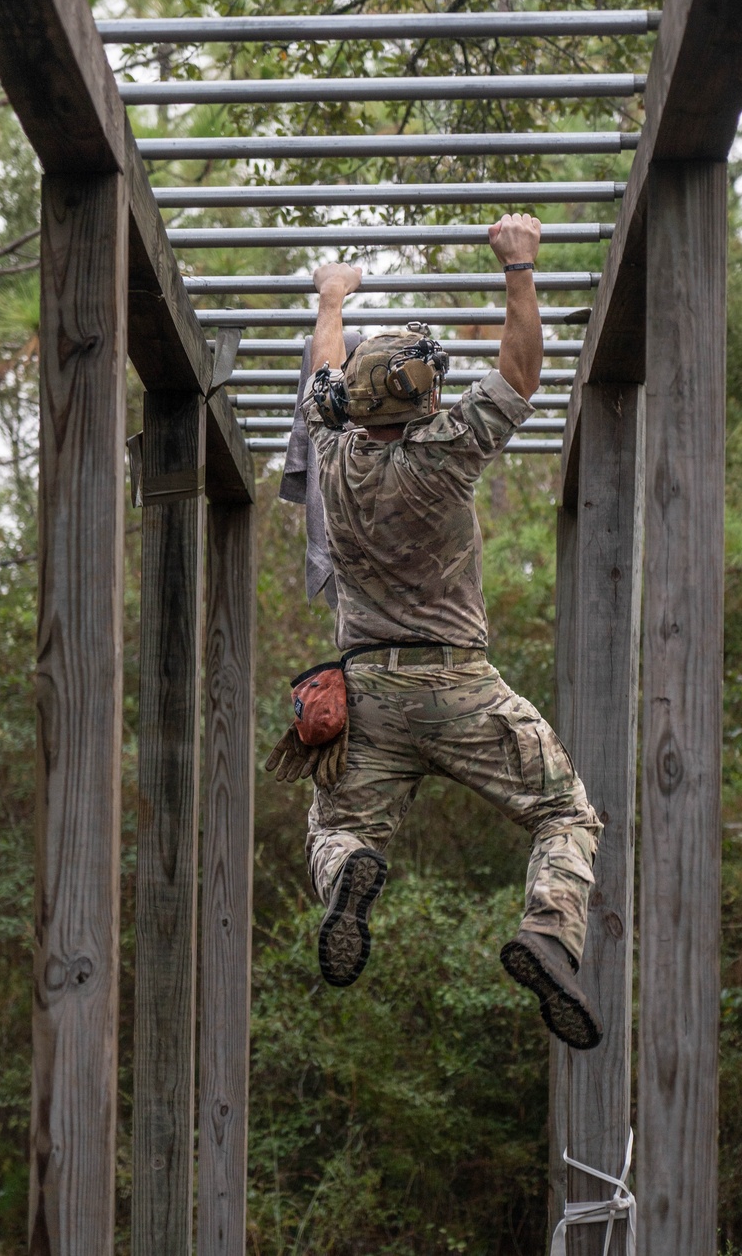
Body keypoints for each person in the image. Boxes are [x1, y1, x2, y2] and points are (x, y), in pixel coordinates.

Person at [273, 213, 604, 1049]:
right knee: (565, 811)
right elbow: (519, 374)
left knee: (336, 830)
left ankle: (350, 876)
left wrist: (333, 295)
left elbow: (322, 370)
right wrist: (519, 267)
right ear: (424, 400)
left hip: (368, 695)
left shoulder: (335, 444)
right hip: (457, 684)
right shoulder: (447, 449)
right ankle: (550, 933)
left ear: (357, 400)